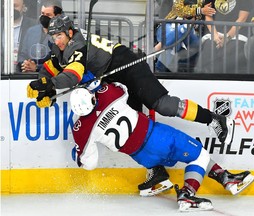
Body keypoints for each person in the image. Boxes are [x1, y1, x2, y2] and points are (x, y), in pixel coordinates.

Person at [26, 14, 236, 196]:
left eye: (59, 36)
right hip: (110, 77)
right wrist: (47, 85)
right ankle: (158, 173)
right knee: (134, 130)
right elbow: (51, 66)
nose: (57, 41)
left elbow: (73, 75)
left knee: (161, 104)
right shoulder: (60, 46)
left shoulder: (78, 44)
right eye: (54, 37)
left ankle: (214, 118)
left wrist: (48, 85)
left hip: (125, 65)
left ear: (70, 33)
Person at [69, 82, 254, 211]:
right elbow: (124, 88)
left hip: (141, 156)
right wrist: (96, 86)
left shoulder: (81, 129)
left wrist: (80, 157)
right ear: (91, 97)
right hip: (157, 138)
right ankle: (188, 195)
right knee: (199, 155)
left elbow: (90, 163)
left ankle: (161, 177)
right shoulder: (108, 94)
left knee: (192, 155)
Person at [154, 0, 216, 72]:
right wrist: (199, 10)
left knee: (186, 29)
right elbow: (177, 9)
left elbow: (208, 12)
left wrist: (198, 11)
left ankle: (157, 50)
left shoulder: (204, 1)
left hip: (192, 31)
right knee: (176, 41)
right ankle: (159, 69)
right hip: (168, 26)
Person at [195, 0, 253, 74]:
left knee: (227, 52)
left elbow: (242, 18)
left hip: (237, 35)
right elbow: (208, 15)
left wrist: (227, 37)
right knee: (208, 47)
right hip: (215, 33)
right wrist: (215, 35)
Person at [17, 0, 63, 73]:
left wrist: (37, 67)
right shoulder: (31, 31)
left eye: (48, 15)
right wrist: (25, 64)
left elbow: (61, 62)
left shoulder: (63, 35)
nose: (44, 17)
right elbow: (22, 54)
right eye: (42, 13)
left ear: (57, 16)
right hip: (26, 76)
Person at [13, 0, 36, 71]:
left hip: (24, 73)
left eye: (15, 6)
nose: (12, 9)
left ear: (23, 7)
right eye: (9, 6)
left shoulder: (34, 25)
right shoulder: (1, 24)